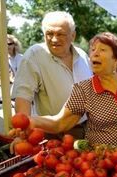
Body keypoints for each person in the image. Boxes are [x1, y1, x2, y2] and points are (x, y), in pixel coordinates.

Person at [21, 32, 117, 149]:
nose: (95, 53)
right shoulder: (83, 89)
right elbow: (61, 122)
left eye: (102, 50)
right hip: (105, 163)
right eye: (93, 50)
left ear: (116, 59)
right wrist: (32, 121)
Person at [11, 11, 93, 140]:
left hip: (88, 129)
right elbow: (23, 97)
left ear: (73, 35)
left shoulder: (83, 56)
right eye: (49, 34)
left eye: (60, 34)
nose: (54, 39)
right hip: (54, 135)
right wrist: (23, 131)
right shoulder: (34, 56)